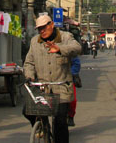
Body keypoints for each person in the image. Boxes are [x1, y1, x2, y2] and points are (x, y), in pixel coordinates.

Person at [24, 15, 81, 143]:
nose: (42, 31)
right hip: (43, 87)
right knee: (27, 111)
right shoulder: (35, 42)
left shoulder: (65, 37)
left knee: (60, 122)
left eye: (44, 27)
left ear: (52, 24)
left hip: (61, 87)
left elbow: (77, 48)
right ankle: (43, 128)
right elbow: (29, 63)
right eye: (39, 29)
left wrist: (60, 49)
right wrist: (29, 76)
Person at [67, 55, 81, 127]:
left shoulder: (69, 48)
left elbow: (76, 63)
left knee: (72, 100)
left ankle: (71, 116)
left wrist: (71, 74)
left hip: (67, 79)